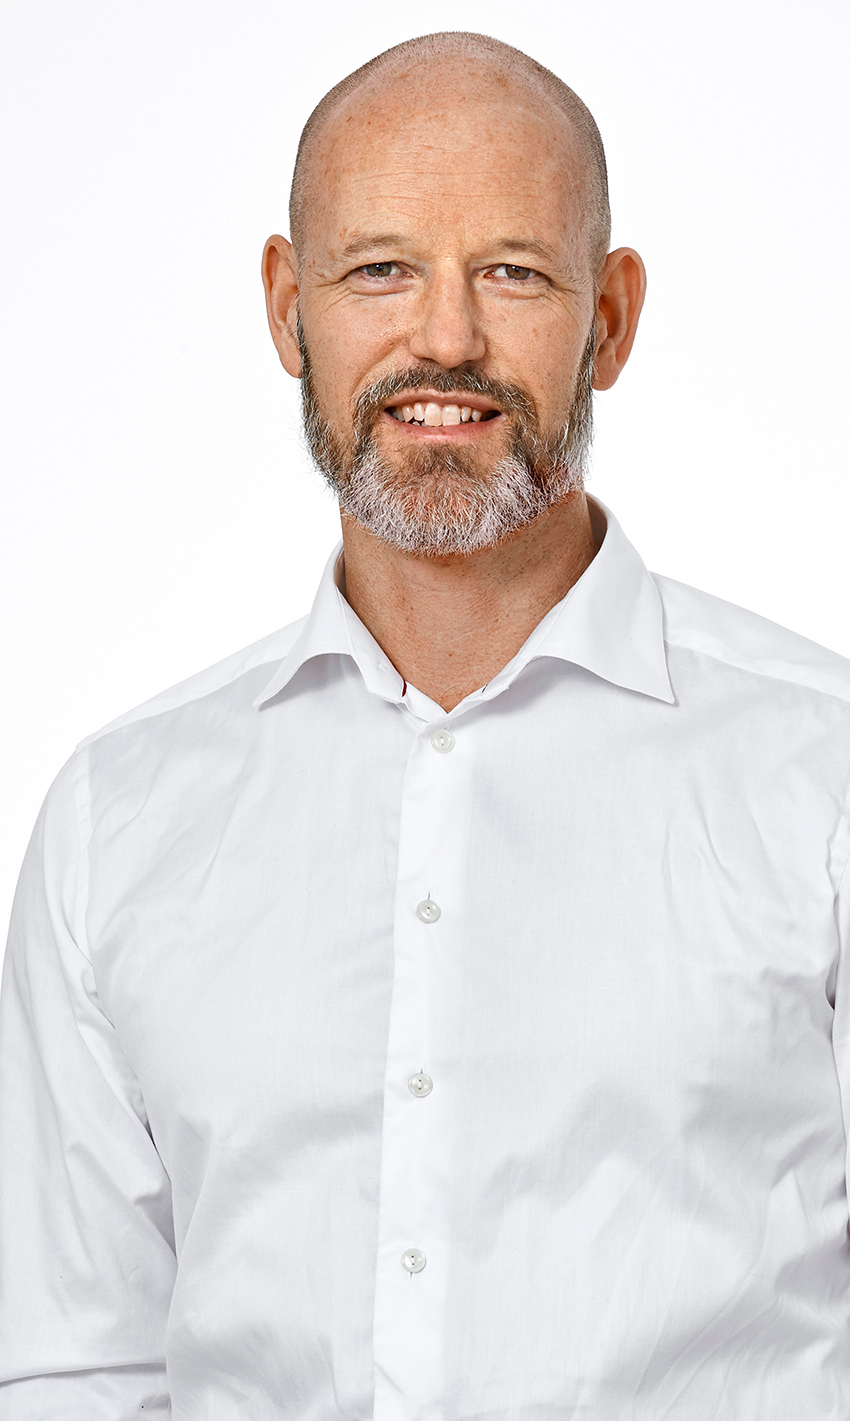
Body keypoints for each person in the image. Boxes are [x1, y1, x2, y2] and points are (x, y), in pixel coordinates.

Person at [1, 27, 849, 1419]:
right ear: (288, 308)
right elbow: (73, 1369)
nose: (444, 338)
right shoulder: (119, 822)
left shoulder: (817, 778)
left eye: (512, 272)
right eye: (379, 270)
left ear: (610, 319)